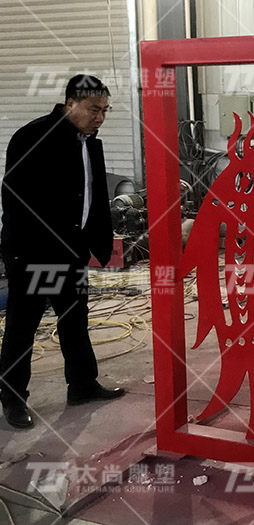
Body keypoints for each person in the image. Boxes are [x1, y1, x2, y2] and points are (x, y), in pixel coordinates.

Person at [0, 74, 125, 429]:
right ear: (71, 104)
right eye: (94, 109)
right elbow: (15, 200)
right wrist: (22, 255)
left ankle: (82, 385)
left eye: (105, 110)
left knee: (74, 320)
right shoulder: (34, 137)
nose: (100, 117)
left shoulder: (87, 142)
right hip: (36, 254)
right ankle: (13, 399)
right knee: (24, 326)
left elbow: (90, 196)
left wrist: (94, 242)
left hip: (72, 252)